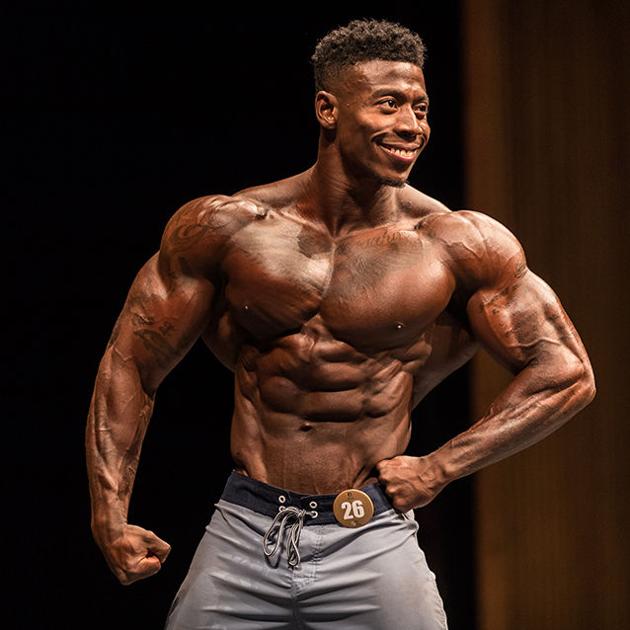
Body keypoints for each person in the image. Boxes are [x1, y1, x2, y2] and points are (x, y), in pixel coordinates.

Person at [85, 18, 596, 630]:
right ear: (328, 109)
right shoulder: (226, 228)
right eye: (389, 104)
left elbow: (566, 373)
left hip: (372, 535)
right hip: (245, 529)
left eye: (421, 108)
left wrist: (440, 467)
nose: (412, 125)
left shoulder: (455, 244)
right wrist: (109, 512)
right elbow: (132, 362)